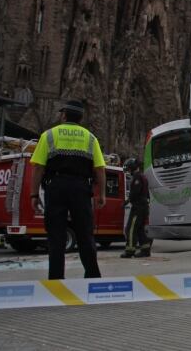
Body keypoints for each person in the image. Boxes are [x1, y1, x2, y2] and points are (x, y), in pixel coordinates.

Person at [30, 100, 104, 279]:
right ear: (81, 118)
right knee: (85, 233)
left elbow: (38, 167)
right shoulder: (90, 138)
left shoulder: (49, 135)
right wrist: (100, 194)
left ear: (63, 115)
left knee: (56, 235)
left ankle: (56, 279)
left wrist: (33, 194)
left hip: (55, 187)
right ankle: (93, 277)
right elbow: (99, 168)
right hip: (80, 188)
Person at [120, 158, 152, 258]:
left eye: (129, 168)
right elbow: (146, 194)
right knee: (140, 229)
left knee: (130, 229)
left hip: (138, 208)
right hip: (143, 207)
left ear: (133, 168)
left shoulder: (137, 177)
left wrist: (127, 201)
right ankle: (145, 250)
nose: (128, 170)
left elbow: (135, 192)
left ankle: (129, 251)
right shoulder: (143, 176)